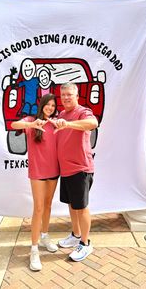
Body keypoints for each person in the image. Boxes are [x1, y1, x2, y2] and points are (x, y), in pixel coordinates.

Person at [49, 82, 98, 262]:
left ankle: (86, 243)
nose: (66, 98)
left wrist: (68, 124)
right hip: (66, 169)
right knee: (72, 204)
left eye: (69, 94)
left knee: (82, 206)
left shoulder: (83, 112)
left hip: (80, 168)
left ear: (77, 95)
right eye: (63, 95)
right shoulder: (61, 114)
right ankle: (76, 235)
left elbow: (93, 123)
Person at [11, 94, 59, 271]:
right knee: (38, 207)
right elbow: (13, 125)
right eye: (48, 104)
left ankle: (45, 236)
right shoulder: (32, 120)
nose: (50, 108)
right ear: (42, 105)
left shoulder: (56, 122)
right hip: (38, 171)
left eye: (53, 106)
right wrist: (31, 124)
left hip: (54, 170)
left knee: (47, 206)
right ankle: (34, 249)